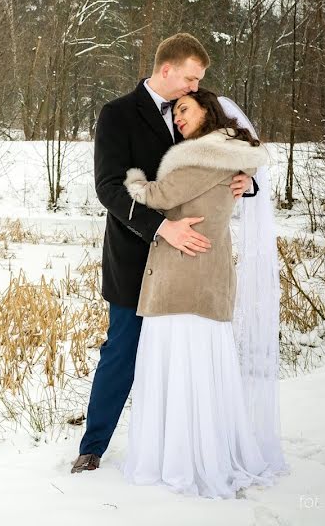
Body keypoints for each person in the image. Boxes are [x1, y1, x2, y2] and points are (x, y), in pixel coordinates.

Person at [71, 34, 255, 474]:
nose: (195, 87)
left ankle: (182, 445)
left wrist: (247, 179)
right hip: (136, 257)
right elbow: (109, 188)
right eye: (191, 77)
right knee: (123, 352)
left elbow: (232, 148)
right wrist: (160, 228)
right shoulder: (117, 114)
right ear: (167, 69)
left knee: (187, 358)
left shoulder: (195, 112)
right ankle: (93, 446)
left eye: (199, 81)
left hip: (192, 265)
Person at [120, 88, 285, 497]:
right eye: (175, 112)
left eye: (185, 110)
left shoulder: (204, 154)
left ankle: (183, 457)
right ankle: (201, 447)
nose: (178, 118)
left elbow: (161, 195)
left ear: (207, 112)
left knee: (179, 364)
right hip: (205, 275)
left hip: (184, 278)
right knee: (198, 366)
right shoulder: (227, 153)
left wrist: (134, 181)